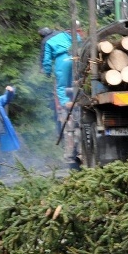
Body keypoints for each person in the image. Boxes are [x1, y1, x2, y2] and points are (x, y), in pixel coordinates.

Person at [39, 27, 80, 167]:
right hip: (76, 57)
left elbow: (46, 60)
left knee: (62, 85)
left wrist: (48, 73)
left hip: (62, 60)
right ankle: (80, 95)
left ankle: (65, 102)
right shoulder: (64, 34)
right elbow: (79, 40)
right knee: (77, 81)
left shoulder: (46, 41)